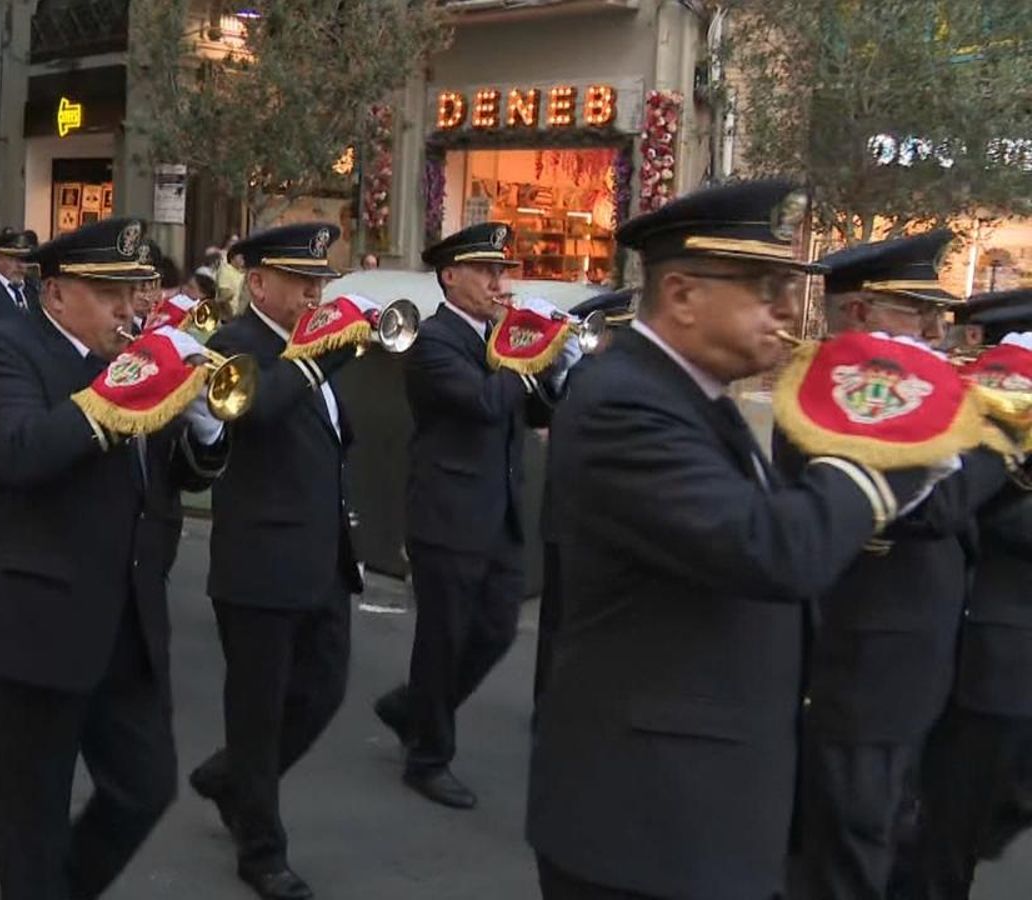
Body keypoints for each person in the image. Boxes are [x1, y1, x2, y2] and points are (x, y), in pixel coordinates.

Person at [526, 179, 946, 900]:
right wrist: (889, 449)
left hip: (698, 809)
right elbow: (774, 551)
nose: (785, 311)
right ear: (682, 294)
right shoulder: (625, 402)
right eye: (762, 288)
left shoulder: (692, 394)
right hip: (647, 827)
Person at [0, 217, 229, 900]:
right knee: (33, 824)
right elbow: (21, 451)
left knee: (145, 788)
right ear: (55, 293)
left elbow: (175, 479)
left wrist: (204, 421)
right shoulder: (2, 350)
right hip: (35, 624)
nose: (129, 307)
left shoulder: (131, 355)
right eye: (109, 292)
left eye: (135, 290)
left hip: (128, 624)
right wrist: (126, 389)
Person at [780, 231, 1011, 900]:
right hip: (867, 659)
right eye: (916, 312)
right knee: (852, 838)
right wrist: (1003, 434)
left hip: (908, 656)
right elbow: (929, 511)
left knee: (885, 826)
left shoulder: (908, 387)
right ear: (858, 313)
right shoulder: (843, 393)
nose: (938, 329)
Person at [187, 223, 373, 900]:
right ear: (258, 283)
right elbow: (256, 411)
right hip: (259, 562)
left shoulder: (308, 350)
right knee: (259, 711)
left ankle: (232, 777)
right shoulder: (237, 345)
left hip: (322, 556)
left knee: (324, 690)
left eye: (320, 281)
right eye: (300, 282)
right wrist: (315, 358)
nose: (313, 294)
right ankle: (261, 847)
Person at [374, 222, 577, 809]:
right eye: (485, 271)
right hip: (449, 511)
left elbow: (537, 405)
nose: (497, 281)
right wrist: (524, 351)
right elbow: (487, 403)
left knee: (495, 629)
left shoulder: (496, 335)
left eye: (499, 271)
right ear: (450, 276)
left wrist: (554, 363)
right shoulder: (434, 341)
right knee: (443, 638)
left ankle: (413, 707)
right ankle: (427, 756)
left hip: (500, 509)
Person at [905, 289, 1032, 899]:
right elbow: (965, 516)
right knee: (946, 834)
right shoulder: (984, 418)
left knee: (967, 827)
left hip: (998, 657)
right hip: (979, 653)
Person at [533, 287, 634, 710]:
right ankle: (553, 705)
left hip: (586, 520)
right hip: (575, 519)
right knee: (562, 622)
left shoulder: (599, 376)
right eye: (619, 332)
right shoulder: (585, 379)